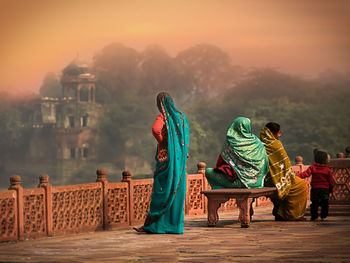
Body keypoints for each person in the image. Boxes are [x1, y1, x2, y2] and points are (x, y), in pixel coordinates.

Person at [133, 92, 189, 234]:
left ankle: (154, 226)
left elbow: (156, 129)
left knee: (162, 191)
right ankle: (175, 227)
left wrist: (163, 141)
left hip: (166, 158)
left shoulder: (163, 117)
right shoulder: (182, 118)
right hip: (180, 161)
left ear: (160, 105)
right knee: (176, 192)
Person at [260, 122, 308, 221]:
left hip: (265, 179)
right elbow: (285, 166)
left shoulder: (259, 144)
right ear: (272, 133)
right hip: (275, 180)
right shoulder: (276, 144)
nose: (280, 135)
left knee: (297, 184)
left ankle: (281, 212)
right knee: (301, 185)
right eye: (279, 133)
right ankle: (291, 214)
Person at [205, 117, 269, 189]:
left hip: (241, 183)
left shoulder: (230, 142)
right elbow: (265, 163)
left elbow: (221, 163)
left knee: (208, 172)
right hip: (257, 183)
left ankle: (220, 191)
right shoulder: (257, 142)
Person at [297, 151, 335, 221]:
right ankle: (323, 216)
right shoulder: (327, 170)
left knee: (314, 203)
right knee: (324, 203)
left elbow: (305, 174)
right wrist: (331, 190)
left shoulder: (312, 168)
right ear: (325, 160)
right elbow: (331, 181)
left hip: (315, 189)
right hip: (325, 189)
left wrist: (296, 176)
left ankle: (314, 216)